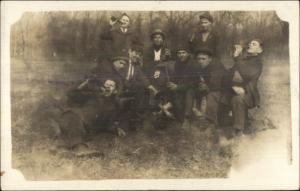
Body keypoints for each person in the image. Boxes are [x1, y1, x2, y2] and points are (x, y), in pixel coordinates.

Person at [224, 39, 264, 136]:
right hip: (236, 90)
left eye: (254, 44)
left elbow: (247, 74)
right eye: (250, 43)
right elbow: (230, 73)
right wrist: (233, 86)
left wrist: (237, 58)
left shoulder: (258, 62)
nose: (250, 44)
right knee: (222, 97)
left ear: (260, 50)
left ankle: (239, 130)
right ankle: (241, 122)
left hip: (249, 94)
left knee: (237, 100)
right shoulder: (244, 59)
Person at [166, 42, 198, 128]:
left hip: (195, 88)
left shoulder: (193, 64)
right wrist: (173, 84)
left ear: (188, 54)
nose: (181, 55)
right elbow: (177, 78)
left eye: (184, 52)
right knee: (174, 93)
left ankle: (187, 118)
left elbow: (194, 82)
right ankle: (179, 116)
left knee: (189, 93)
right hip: (182, 86)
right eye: (179, 53)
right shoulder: (178, 63)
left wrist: (178, 87)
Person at [194, 48, 229, 126]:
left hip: (225, 90)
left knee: (212, 95)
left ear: (210, 59)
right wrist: (201, 85)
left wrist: (205, 86)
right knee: (195, 91)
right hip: (212, 87)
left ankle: (211, 121)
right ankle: (199, 117)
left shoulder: (216, 66)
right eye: (199, 59)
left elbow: (216, 84)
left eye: (204, 59)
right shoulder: (200, 66)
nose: (201, 61)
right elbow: (199, 80)